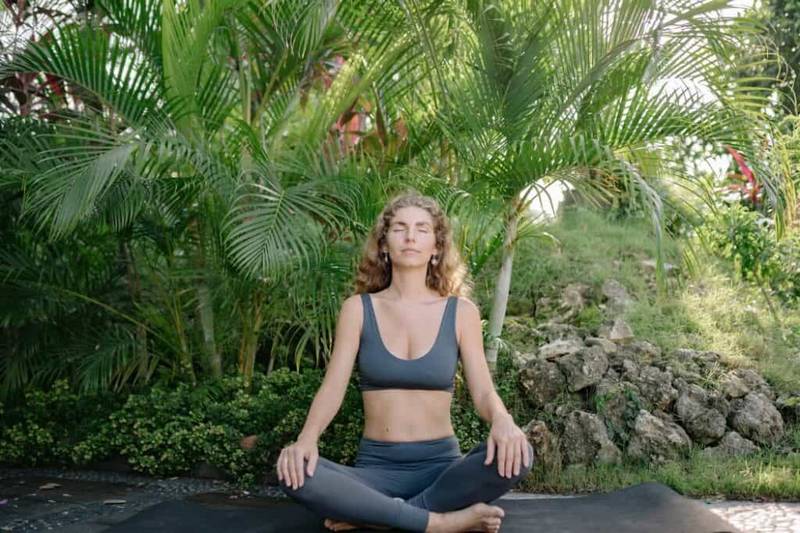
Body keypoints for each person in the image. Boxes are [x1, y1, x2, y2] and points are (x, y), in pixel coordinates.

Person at [276, 191, 535, 532]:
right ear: (384, 244)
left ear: (436, 247)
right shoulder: (358, 309)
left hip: (442, 471)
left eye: (422, 229)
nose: (410, 236)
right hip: (373, 473)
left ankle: (379, 517)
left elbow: (484, 392)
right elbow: (332, 388)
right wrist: (306, 439)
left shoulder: (461, 313)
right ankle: (439, 522)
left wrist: (503, 420)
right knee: (294, 471)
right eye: (399, 228)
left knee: (519, 455)